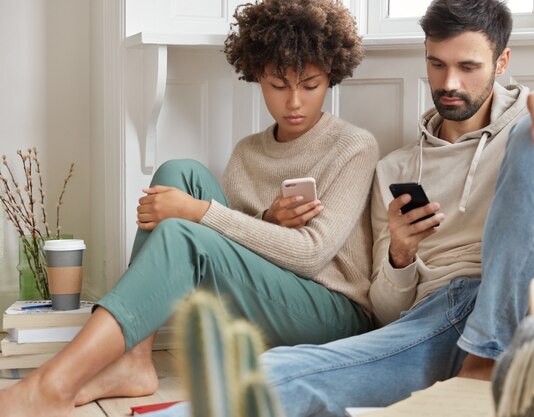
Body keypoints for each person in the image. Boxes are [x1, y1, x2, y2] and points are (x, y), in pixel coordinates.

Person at [0, 1, 379, 415]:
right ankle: (135, 359)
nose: (294, 102)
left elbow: (309, 256)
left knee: (184, 226)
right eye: (278, 84)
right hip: (275, 298)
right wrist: (267, 219)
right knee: (177, 171)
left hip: (336, 314)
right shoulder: (247, 153)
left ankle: (53, 383)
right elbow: (240, 258)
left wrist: (199, 212)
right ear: (256, 76)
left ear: (331, 78)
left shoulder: (353, 145)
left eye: (310, 85)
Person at [258, 0, 534, 416]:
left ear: (502, 61)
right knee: (276, 372)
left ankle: (490, 354)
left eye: (468, 67)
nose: (449, 82)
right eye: (437, 65)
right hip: (440, 321)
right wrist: (401, 254)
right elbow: (387, 311)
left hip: (533, 311)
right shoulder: (394, 169)